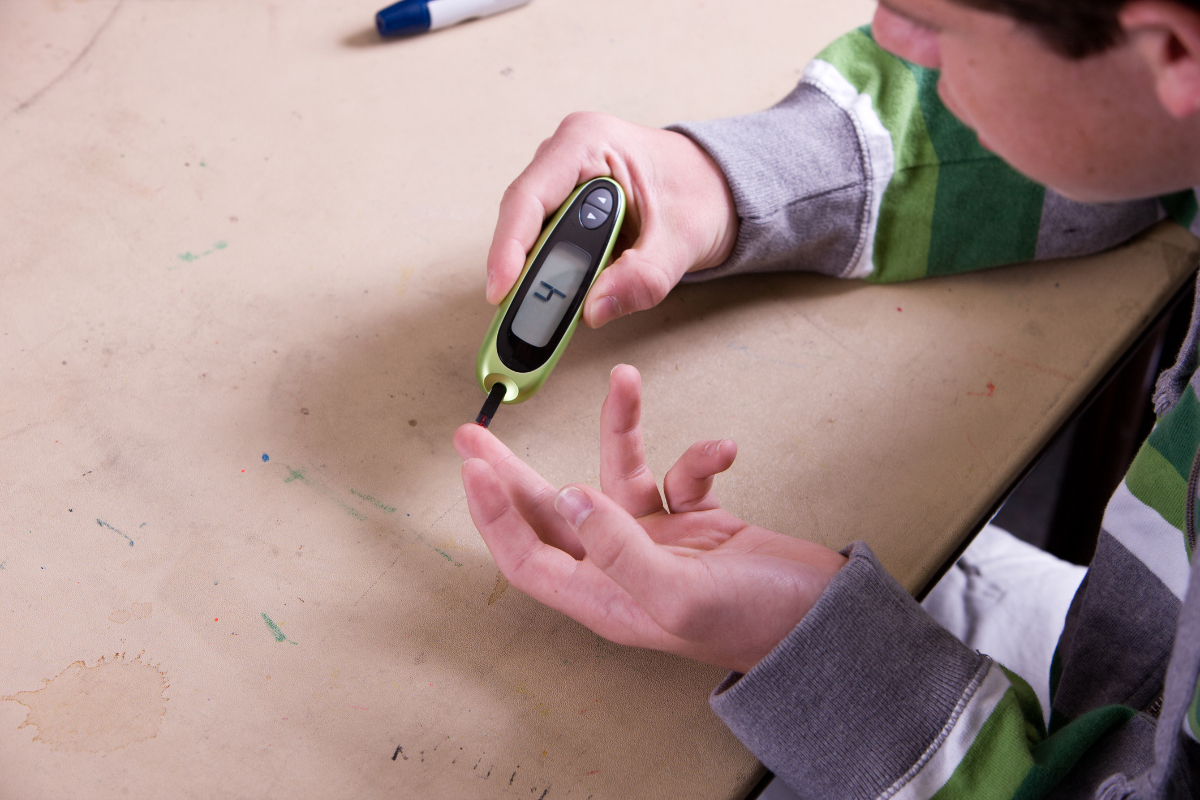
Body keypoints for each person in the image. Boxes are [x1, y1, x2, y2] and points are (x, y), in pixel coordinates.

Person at [454, 1, 1200, 796]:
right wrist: (733, 181)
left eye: (933, 21)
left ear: (1174, 47)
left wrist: (831, 657)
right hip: (1126, 647)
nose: (887, 37)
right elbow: (1121, 123)